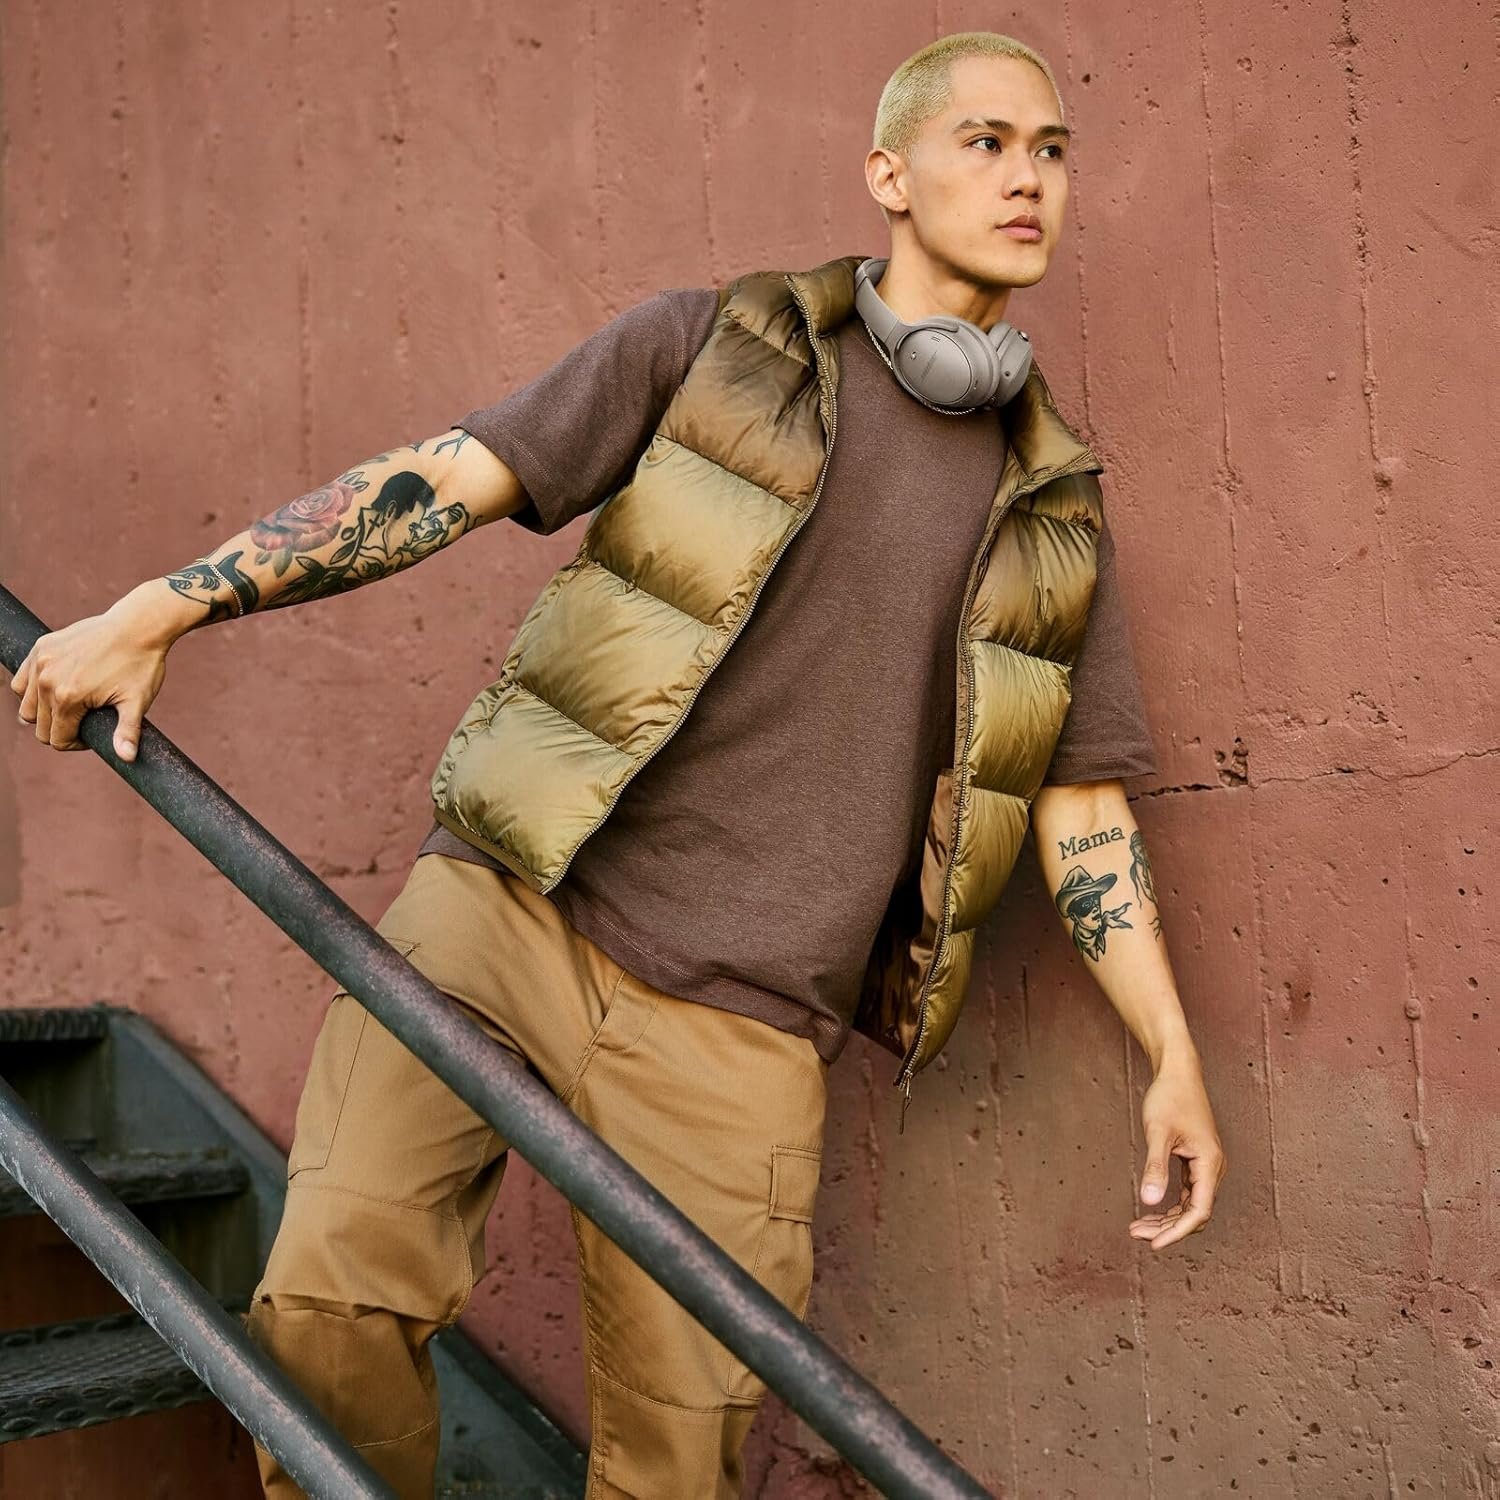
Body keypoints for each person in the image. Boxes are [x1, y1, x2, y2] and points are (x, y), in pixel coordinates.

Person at [10, 30, 1227, 1500]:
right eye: (986, 141)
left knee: (682, 1455)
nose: (1027, 177)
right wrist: (165, 607)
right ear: (889, 175)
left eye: (1052, 151)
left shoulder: (1055, 516)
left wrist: (1170, 1053)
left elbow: (1081, 811)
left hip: (743, 1028)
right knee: (327, 1309)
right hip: (507, 911)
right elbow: (446, 482)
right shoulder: (716, 345)